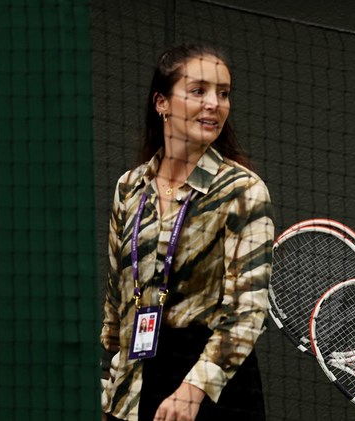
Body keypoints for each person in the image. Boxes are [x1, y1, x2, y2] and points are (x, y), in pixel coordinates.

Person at [100, 43, 274, 421]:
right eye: (199, 91)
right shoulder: (129, 188)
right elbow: (116, 305)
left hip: (214, 389)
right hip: (136, 382)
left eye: (223, 93)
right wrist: (108, 390)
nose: (214, 103)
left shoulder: (243, 191)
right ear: (161, 102)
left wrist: (193, 390)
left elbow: (247, 312)